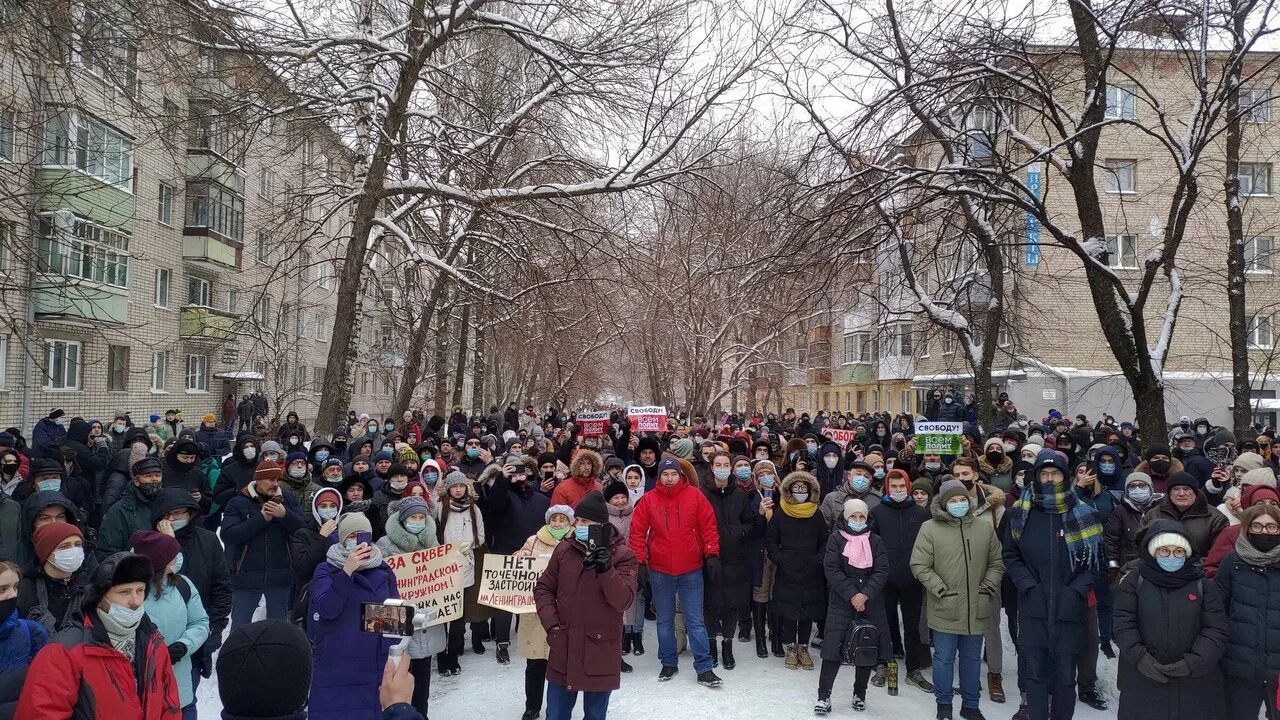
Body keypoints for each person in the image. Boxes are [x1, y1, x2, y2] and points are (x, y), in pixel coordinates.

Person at [16, 552, 181, 719]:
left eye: (140, 590)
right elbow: (40, 713)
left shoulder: (153, 641)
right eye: (124, 592)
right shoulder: (64, 652)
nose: (135, 600)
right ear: (100, 597)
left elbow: (170, 704)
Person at [1003, 450, 1102, 720]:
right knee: (1034, 676)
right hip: (1033, 605)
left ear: (1065, 476)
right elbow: (1010, 554)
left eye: (1054, 473)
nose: (1049, 479)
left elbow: (1095, 564)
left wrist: (1075, 591)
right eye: (1043, 474)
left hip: (1069, 609)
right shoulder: (1020, 513)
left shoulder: (1084, 513)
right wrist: (1027, 585)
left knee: (1064, 678)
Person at [533, 491, 638, 720]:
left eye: (586, 522)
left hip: (600, 650)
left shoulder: (624, 555)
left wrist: (606, 570)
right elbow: (543, 589)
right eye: (578, 521)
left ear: (601, 525)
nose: (579, 526)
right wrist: (552, 627)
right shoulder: (564, 549)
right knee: (556, 714)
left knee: (595, 715)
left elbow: (624, 600)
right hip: (564, 645)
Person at [1112, 519, 1227, 720]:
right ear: (1153, 553)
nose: (1172, 556)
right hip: (1143, 681)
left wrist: (1194, 662)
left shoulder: (1202, 584)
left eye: (1178, 551)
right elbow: (1123, 623)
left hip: (1196, 685)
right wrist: (1140, 657)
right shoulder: (1134, 581)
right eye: (1164, 551)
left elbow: (1216, 628)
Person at [911, 479, 1004, 720]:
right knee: (943, 659)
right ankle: (944, 705)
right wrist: (940, 589)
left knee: (972, 659)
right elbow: (920, 565)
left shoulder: (984, 528)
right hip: (946, 605)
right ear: (943, 503)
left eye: (962, 499)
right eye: (953, 500)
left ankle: (971, 705)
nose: (959, 504)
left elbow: (997, 562)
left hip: (977, 606)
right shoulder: (930, 528)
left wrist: (988, 587)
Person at [628, 457, 722, 686]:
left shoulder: (695, 496)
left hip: (691, 568)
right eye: (665, 474)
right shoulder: (649, 500)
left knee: (695, 620)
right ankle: (668, 662)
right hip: (661, 570)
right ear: (659, 477)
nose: (669, 478)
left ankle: (704, 667)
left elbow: (708, 526)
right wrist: (639, 562)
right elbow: (637, 533)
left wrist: (711, 554)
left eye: (673, 474)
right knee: (665, 620)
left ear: (681, 475)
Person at [307, 512, 400, 720]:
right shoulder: (325, 569)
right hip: (335, 662)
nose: (357, 541)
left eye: (362, 536)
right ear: (342, 539)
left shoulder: (384, 570)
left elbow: (394, 623)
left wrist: (390, 659)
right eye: (351, 536)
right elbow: (326, 609)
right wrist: (346, 571)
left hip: (372, 663)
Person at [150, 489, 231, 697]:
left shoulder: (208, 540)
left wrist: (215, 627)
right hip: (158, 636)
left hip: (197, 632)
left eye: (178, 513)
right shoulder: (147, 544)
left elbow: (221, 587)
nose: (173, 519)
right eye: (167, 514)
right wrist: (168, 543)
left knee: (185, 697)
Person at [814, 499, 891, 714]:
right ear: (845, 518)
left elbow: (881, 570)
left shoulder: (876, 541)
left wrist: (865, 594)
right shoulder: (835, 539)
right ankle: (823, 696)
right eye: (853, 516)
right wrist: (852, 594)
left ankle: (860, 693)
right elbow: (831, 569)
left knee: (865, 647)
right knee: (832, 649)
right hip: (842, 602)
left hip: (870, 603)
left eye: (861, 517)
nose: (857, 521)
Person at [373, 495, 445, 719]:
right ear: (403, 520)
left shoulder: (433, 542)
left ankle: (421, 715)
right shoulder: (385, 545)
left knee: (422, 679)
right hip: (397, 621)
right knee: (396, 677)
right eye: (413, 517)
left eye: (421, 516)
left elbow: (444, 577)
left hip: (426, 620)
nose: (417, 520)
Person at [129, 531, 210, 720]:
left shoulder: (183, 585)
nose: (178, 559)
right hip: (141, 692)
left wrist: (184, 645)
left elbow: (200, 622)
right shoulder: (128, 593)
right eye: (173, 556)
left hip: (181, 690)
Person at [869, 468, 933, 693]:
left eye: (901, 486)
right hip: (884, 580)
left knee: (913, 626)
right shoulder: (877, 512)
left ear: (908, 487)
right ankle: (883, 663)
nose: (897, 490)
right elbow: (870, 545)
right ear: (887, 488)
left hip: (912, 579)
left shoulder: (920, 513)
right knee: (884, 623)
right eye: (893, 486)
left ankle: (913, 669)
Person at [1215, 502, 1280, 719]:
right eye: (1257, 526)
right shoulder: (1232, 562)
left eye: (1271, 527)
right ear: (1247, 528)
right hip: (1240, 666)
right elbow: (1217, 610)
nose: (1264, 531)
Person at [221, 460, 304, 627]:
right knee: (240, 626)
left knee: (277, 627)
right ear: (257, 480)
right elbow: (229, 535)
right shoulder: (238, 502)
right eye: (269, 479)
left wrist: (285, 515)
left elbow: (303, 531)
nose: (274, 484)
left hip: (279, 576)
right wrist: (261, 519)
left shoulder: (287, 500)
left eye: (277, 479)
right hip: (245, 576)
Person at [700, 453, 760, 670]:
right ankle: (711, 644)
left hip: (736, 557)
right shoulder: (702, 493)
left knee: (731, 604)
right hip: (710, 558)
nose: (723, 468)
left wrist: (737, 533)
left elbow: (751, 522)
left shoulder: (740, 495)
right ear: (712, 467)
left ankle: (727, 644)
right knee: (711, 604)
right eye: (719, 464)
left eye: (726, 465)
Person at [515, 504, 574, 720]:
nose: (558, 524)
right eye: (554, 519)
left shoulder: (575, 541)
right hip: (535, 610)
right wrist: (520, 555)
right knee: (535, 662)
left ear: (569, 522)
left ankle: (558, 708)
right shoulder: (533, 541)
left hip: (565, 611)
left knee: (561, 662)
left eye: (563, 520)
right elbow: (518, 561)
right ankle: (532, 707)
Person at [766, 471, 827, 673]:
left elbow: (824, 541)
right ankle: (791, 647)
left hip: (811, 571)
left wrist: (818, 561)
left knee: (807, 611)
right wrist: (781, 560)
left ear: (811, 490)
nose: (800, 491)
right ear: (788, 489)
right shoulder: (781, 513)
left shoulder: (816, 513)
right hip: (788, 570)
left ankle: (804, 648)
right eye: (796, 487)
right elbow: (772, 541)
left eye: (804, 487)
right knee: (790, 611)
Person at [435, 471, 485, 672]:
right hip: (443, 567)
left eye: (461, 486)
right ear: (448, 488)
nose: (458, 489)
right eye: (454, 486)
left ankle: (454, 655)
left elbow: (480, 535)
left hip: (465, 565)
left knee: (457, 614)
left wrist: (469, 544)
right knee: (441, 614)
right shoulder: (440, 507)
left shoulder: (474, 509)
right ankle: (441, 656)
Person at [1142, 471, 1228, 557]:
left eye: (1186, 489)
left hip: (1197, 568)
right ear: (1169, 493)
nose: (1181, 494)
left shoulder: (1215, 519)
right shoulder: (1152, 514)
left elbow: (1217, 555)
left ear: (1195, 493)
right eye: (1176, 489)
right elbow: (1141, 545)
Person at [98, 458, 165, 561]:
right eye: (148, 476)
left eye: (157, 475)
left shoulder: (168, 503)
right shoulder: (120, 510)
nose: (154, 479)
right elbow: (108, 550)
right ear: (137, 481)